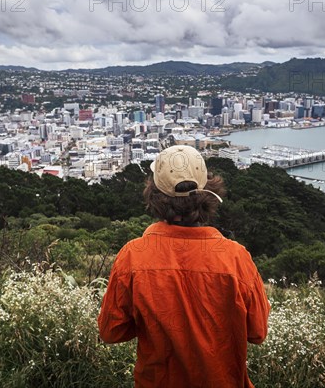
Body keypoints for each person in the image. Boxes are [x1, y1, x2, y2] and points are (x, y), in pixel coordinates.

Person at [98, 145, 270, 387]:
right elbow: (257, 332)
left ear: (154, 193)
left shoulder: (133, 256)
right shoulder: (235, 258)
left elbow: (111, 331)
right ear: (208, 191)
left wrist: (154, 321)